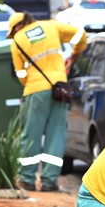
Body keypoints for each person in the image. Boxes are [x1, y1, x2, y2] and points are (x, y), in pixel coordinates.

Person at [8, 11, 87, 192]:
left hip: (35, 90)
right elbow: (80, 34)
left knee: (31, 135)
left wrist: (31, 84)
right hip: (59, 89)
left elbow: (20, 74)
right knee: (56, 135)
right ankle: (49, 181)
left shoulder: (17, 41)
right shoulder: (51, 26)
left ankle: (27, 178)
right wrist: (76, 53)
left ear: (18, 27)